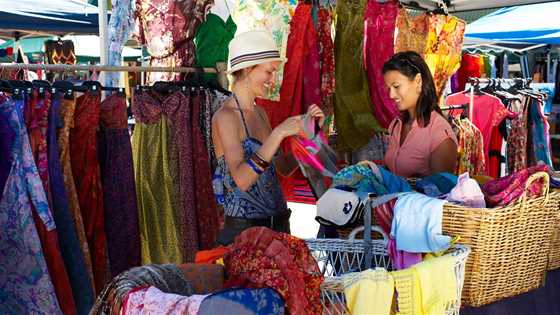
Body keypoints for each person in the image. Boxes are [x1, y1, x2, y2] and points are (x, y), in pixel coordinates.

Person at [212, 30, 325, 245]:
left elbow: (281, 167)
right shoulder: (225, 116)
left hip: (279, 226)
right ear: (247, 69)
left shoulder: (260, 113)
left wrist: (311, 139)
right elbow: (242, 180)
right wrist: (279, 132)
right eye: (268, 72)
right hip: (245, 235)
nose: (272, 80)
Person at [382, 51, 458, 178]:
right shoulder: (396, 125)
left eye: (396, 86)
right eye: (388, 88)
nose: (391, 95)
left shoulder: (439, 133)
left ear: (418, 81)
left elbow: (439, 193)